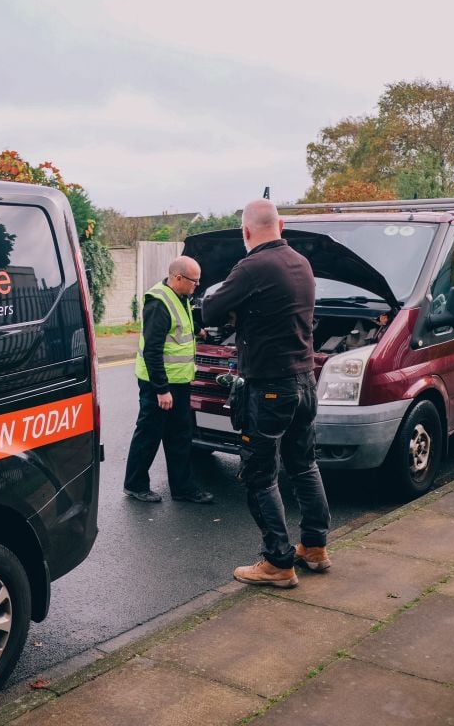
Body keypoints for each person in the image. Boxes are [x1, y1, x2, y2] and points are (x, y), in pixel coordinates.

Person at [200, 199, 331, 587]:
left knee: (259, 475)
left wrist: (235, 311)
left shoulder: (252, 267)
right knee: (304, 465)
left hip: (270, 388)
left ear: (245, 232)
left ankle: (278, 561)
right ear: (282, 224)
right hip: (305, 382)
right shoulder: (301, 263)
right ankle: (315, 546)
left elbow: (209, 312)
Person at [123, 256, 214, 505]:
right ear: (178, 278)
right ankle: (135, 485)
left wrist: (199, 330)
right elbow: (153, 350)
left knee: (179, 436)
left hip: (179, 382)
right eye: (194, 281)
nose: (197, 285)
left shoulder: (180, 297)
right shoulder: (158, 303)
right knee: (149, 434)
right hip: (159, 384)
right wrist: (161, 390)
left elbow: (181, 323)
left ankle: (182, 488)